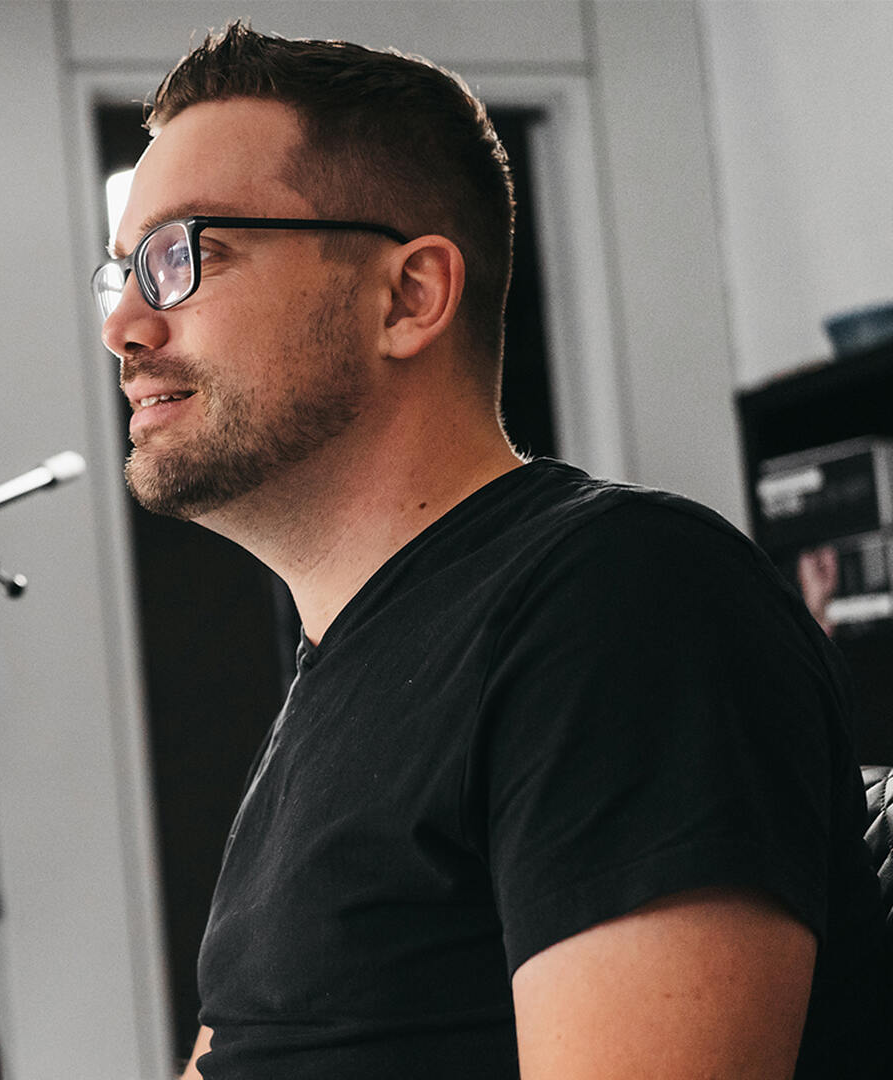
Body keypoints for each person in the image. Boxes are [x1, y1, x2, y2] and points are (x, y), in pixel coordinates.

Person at [94, 23, 889, 1079]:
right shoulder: (337, 678)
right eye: (123, 274)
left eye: (184, 256)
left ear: (409, 296)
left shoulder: (618, 605)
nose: (125, 326)